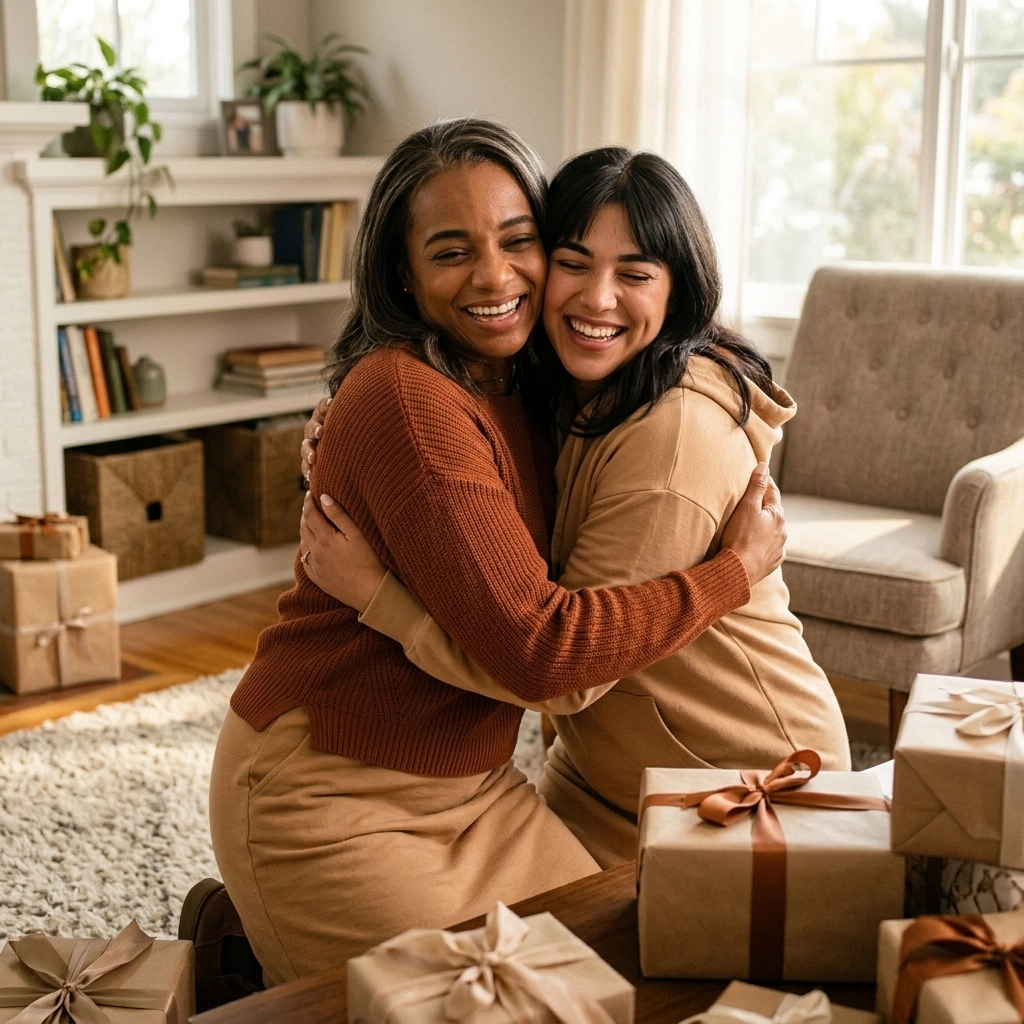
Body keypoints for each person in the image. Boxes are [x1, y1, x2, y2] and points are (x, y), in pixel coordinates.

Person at [208, 121, 785, 986]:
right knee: (513, 1005)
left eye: (519, 241)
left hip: (477, 788)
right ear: (402, 273)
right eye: (452, 252)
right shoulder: (411, 397)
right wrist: (731, 574)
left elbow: (647, 323)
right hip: (332, 790)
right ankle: (259, 956)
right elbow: (544, 652)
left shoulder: (532, 374)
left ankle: (237, 953)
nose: (494, 276)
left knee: (616, 982)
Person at [299, 146, 849, 870]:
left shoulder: (671, 443)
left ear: (678, 289)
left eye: (635, 274)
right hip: (609, 774)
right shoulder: (568, 390)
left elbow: (560, 667)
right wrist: (349, 435)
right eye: (573, 262)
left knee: (555, 942)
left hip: (736, 782)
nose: (597, 298)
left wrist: (381, 598)